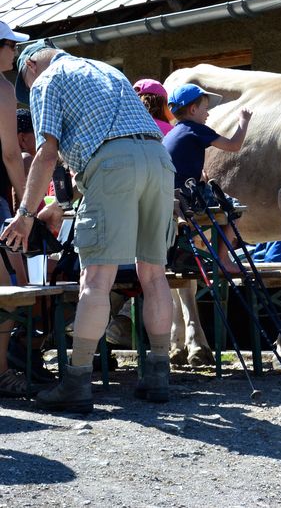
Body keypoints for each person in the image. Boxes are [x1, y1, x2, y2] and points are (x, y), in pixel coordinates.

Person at [1, 40, 177, 413]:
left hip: (112, 163)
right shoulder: (105, 69)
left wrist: (26, 213)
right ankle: (158, 375)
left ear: (31, 66)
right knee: (153, 275)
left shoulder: (47, 80)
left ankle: (77, 381)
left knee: (96, 279)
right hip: (159, 161)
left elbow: (47, 154)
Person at [163, 83, 251, 273]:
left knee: (221, 203)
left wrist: (199, 175)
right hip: (187, 198)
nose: (208, 114)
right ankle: (223, 260)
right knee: (233, 208)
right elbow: (234, 145)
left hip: (170, 196)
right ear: (193, 110)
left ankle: (210, 253)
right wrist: (243, 121)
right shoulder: (195, 129)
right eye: (205, 108)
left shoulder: (173, 132)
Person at [0, 19, 31, 398]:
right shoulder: (3, 89)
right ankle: (3, 372)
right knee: (6, 287)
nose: (14, 51)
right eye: (9, 45)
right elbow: (10, 152)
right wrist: (28, 204)